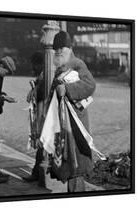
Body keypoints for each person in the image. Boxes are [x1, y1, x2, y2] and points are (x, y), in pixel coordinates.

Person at [50, 31, 96, 192]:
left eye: (62, 47)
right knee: (68, 162)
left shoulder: (78, 64)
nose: (59, 51)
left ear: (70, 48)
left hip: (76, 122)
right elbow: (55, 92)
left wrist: (68, 89)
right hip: (63, 123)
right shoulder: (58, 69)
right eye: (56, 48)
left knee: (76, 165)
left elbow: (90, 85)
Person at [22, 51, 46, 183]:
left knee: (42, 145)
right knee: (41, 147)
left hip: (43, 115)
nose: (33, 68)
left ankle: (38, 173)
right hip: (41, 113)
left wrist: (38, 122)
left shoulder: (44, 77)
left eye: (34, 65)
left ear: (40, 64)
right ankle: (37, 172)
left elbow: (41, 100)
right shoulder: (42, 77)